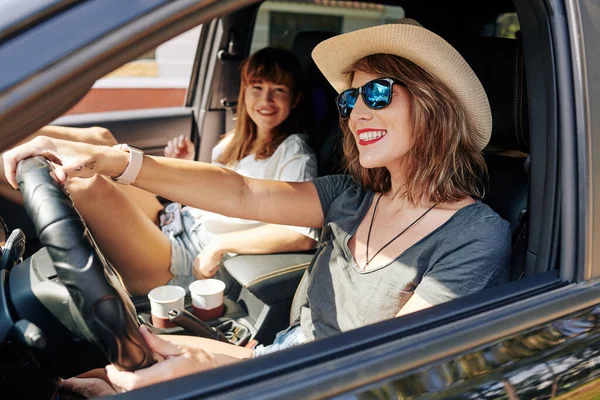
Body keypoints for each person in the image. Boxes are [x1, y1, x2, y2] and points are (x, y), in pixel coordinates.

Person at [4, 19, 511, 395]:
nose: (355, 111)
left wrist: (218, 370)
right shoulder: (351, 196)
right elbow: (241, 192)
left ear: (433, 102)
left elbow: (391, 372)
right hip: (281, 355)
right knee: (71, 371)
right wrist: (109, 159)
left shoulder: (473, 235)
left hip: (320, 385)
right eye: (347, 98)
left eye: (376, 92)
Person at [0, 47, 319, 295]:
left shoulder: (294, 151)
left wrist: (221, 246)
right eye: (257, 87)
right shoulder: (233, 140)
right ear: (244, 91)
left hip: (183, 255)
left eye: (279, 90)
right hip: (174, 217)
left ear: (295, 98)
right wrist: (193, 161)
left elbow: (301, 234)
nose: (266, 99)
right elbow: (221, 192)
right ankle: (10, 130)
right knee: (101, 138)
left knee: (89, 186)